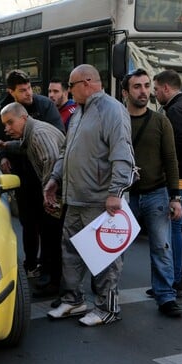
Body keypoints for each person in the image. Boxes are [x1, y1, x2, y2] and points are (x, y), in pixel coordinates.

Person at [44, 64, 136, 326]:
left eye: (71, 86)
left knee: (105, 257)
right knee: (70, 251)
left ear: (86, 82)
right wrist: (54, 179)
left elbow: (123, 155)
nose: (69, 92)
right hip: (75, 198)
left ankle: (107, 308)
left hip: (101, 201)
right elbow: (66, 152)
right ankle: (73, 301)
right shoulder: (78, 113)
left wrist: (115, 192)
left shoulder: (112, 110)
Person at [122, 68, 182, 317]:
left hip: (156, 193)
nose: (144, 91)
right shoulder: (118, 120)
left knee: (161, 247)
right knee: (115, 248)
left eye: (147, 86)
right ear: (126, 92)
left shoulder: (161, 121)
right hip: (124, 196)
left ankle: (166, 297)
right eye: (137, 86)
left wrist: (175, 197)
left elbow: (171, 159)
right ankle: (107, 293)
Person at [0, 69, 65, 279]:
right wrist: (3, 152)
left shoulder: (42, 114)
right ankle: (34, 265)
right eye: (22, 91)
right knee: (29, 224)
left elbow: (51, 160)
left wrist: (49, 191)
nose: (28, 94)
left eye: (29, 88)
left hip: (47, 182)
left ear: (23, 118)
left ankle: (52, 274)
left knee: (50, 229)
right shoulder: (4, 109)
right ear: (11, 92)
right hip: (24, 179)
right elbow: (14, 142)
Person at [153, 69, 182, 294]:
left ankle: (175, 279)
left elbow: (179, 142)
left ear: (166, 88)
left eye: (157, 89)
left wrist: (168, 168)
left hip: (181, 179)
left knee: (175, 229)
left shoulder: (175, 110)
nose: (155, 94)